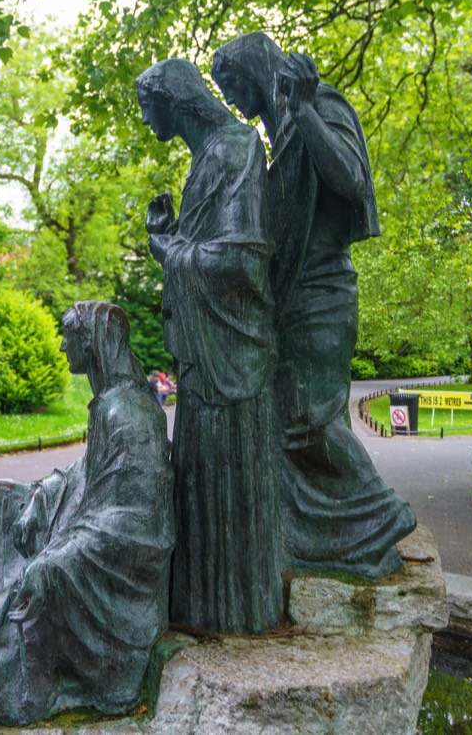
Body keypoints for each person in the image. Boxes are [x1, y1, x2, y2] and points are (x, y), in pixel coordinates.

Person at [212, 32, 415, 578]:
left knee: (314, 424)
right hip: (293, 303)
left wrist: (303, 110)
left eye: (231, 83)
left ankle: (380, 515)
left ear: (254, 70)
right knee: (286, 427)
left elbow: (351, 182)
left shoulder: (320, 104)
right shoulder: (276, 143)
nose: (230, 98)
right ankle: (321, 537)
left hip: (325, 296)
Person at [0, 301, 174, 726]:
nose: (61, 345)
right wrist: (44, 492)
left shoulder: (128, 413)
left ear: (90, 344)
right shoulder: (110, 404)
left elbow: (133, 520)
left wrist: (55, 561)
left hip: (106, 584)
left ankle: (34, 662)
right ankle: (1, 611)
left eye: (68, 335)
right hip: (77, 544)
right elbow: (90, 472)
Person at [137, 58, 282, 634]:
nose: (148, 122)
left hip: (232, 365)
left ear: (173, 100)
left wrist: (169, 251)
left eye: (148, 107)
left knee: (225, 487)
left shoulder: (235, 148)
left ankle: (232, 616)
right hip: (206, 363)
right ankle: (205, 613)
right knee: (202, 485)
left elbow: (241, 261)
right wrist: (169, 239)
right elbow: (212, 250)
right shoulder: (209, 157)